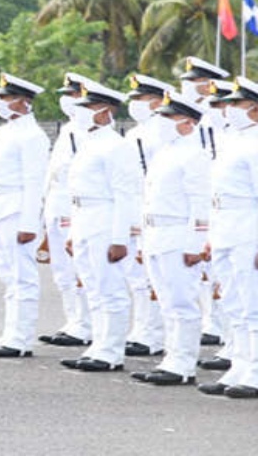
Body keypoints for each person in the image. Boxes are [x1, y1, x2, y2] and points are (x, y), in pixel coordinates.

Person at [59, 81, 142, 373]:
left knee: (111, 288)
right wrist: (71, 233)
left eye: (88, 107)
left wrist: (120, 239)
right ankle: (98, 344)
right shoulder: (88, 143)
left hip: (105, 219)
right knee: (93, 288)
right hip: (84, 217)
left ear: (105, 111)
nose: (81, 112)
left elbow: (124, 195)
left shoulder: (117, 146)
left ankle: (112, 351)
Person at [131, 91, 209, 386]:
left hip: (178, 233)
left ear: (187, 122)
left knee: (182, 300)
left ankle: (184, 363)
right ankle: (171, 357)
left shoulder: (194, 154)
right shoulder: (165, 152)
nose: (161, 121)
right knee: (165, 301)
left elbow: (200, 202)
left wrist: (195, 244)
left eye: (168, 116)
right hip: (156, 233)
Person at [0, 72, 50, 358]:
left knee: (22, 276)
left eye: (6, 97)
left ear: (24, 102)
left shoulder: (33, 136)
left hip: (17, 208)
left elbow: (34, 181)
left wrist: (30, 223)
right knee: (7, 274)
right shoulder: (4, 132)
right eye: (0, 98)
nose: (1, 102)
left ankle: (20, 339)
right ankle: (9, 334)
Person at [199, 77, 258, 398]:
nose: (229, 109)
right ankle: (240, 363)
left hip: (249, 225)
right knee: (232, 301)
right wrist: (211, 235)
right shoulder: (232, 140)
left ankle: (256, 370)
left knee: (253, 301)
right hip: (225, 225)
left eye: (236, 103)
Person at [37, 72, 93, 348]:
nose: (67, 100)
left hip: (73, 207)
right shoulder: (69, 128)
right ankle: (73, 320)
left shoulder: (86, 131)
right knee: (62, 270)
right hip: (56, 204)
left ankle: (85, 324)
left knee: (78, 268)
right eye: (67, 95)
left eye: (73, 95)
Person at [122, 73, 176, 359]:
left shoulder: (159, 133)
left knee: (149, 279)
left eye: (140, 99)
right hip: (136, 208)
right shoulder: (136, 132)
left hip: (152, 208)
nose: (135, 104)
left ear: (156, 101)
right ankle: (142, 329)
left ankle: (153, 334)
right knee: (137, 277)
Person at [180, 56, 230, 351]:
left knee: (226, 278)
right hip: (205, 202)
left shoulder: (222, 127)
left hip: (226, 207)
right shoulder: (196, 122)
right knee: (207, 273)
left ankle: (221, 330)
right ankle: (213, 324)